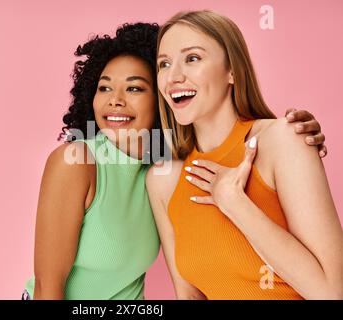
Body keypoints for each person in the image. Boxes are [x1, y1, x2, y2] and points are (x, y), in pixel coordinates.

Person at [23, 22, 328, 300]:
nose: (114, 99)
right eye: (104, 87)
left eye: (134, 88)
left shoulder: (163, 168)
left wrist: (291, 139)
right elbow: (48, 288)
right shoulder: (75, 162)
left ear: (161, 98)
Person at [147, 10, 343, 300]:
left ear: (233, 71)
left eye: (193, 58)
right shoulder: (163, 180)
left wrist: (235, 203)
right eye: (164, 64)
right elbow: (188, 296)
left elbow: (331, 292)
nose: (173, 77)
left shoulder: (282, 140)